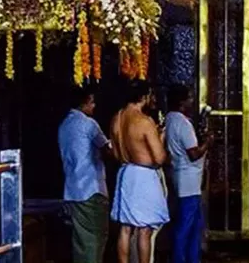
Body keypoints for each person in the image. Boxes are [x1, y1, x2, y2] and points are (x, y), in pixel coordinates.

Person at [110, 81, 169, 263]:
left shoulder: (117, 118)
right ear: (144, 96)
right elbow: (159, 158)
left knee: (125, 228)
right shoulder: (144, 121)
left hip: (125, 173)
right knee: (145, 229)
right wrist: (160, 137)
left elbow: (116, 154)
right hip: (144, 176)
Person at [59, 87, 114, 263]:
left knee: (81, 242)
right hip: (91, 189)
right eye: (92, 102)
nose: (94, 106)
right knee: (95, 239)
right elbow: (107, 150)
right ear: (84, 103)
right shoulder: (89, 124)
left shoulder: (64, 125)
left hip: (73, 190)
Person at [165, 85, 210, 263]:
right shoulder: (183, 123)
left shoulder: (170, 119)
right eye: (190, 98)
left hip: (182, 176)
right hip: (189, 181)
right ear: (182, 101)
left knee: (194, 224)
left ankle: (192, 258)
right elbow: (193, 153)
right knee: (185, 225)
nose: (192, 101)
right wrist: (208, 143)